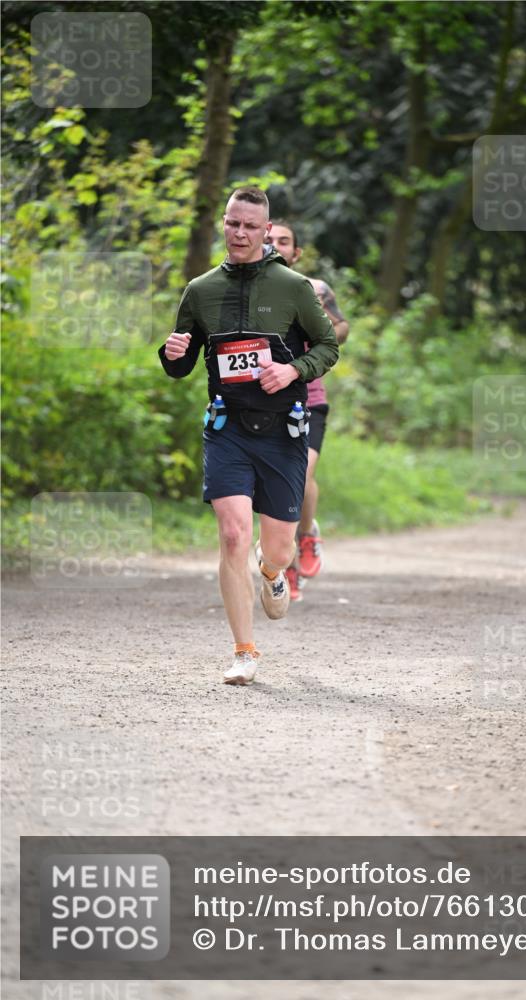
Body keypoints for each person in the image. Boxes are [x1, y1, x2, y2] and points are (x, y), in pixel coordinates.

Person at [158, 187, 339, 685]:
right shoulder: (200, 290)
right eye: (232, 224)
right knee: (233, 532)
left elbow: (327, 347)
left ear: (266, 231)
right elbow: (185, 361)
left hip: (282, 430)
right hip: (228, 427)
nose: (239, 233)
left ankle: (273, 570)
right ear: (224, 223)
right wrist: (172, 353)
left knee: (275, 548)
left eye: (250, 227)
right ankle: (244, 651)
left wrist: (292, 370)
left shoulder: (294, 286)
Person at [266, 222, 349, 602]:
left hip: (308, 398)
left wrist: (317, 319)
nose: (275, 245)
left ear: (296, 253)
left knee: (302, 473)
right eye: (269, 240)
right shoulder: (243, 290)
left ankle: (305, 535)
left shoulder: (315, 289)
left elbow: (341, 329)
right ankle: (286, 565)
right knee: (270, 485)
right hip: (261, 400)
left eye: (283, 241)